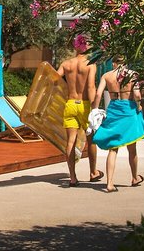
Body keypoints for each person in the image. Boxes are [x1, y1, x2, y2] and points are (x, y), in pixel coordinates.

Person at [91, 58, 144, 193]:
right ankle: (134, 178)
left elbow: (99, 93)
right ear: (125, 62)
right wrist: (139, 106)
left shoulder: (107, 76)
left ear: (114, 63)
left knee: (113, 148)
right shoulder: (132, 74)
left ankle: (109, 183)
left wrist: (94, 110)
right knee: (132, 147)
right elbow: (137, 94)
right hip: (129, 110)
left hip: (114, 110)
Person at [57, 34, 102, 187]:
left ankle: (72, 177)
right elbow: (90, 87)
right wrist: (95, 108)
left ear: (75, 46)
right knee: (91, 140)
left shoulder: (66, 64)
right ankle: (93, 172)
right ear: (87, 46)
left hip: (70, 103)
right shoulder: (90, 64)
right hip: (84, 105)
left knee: (71, 140)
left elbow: (53, 80)